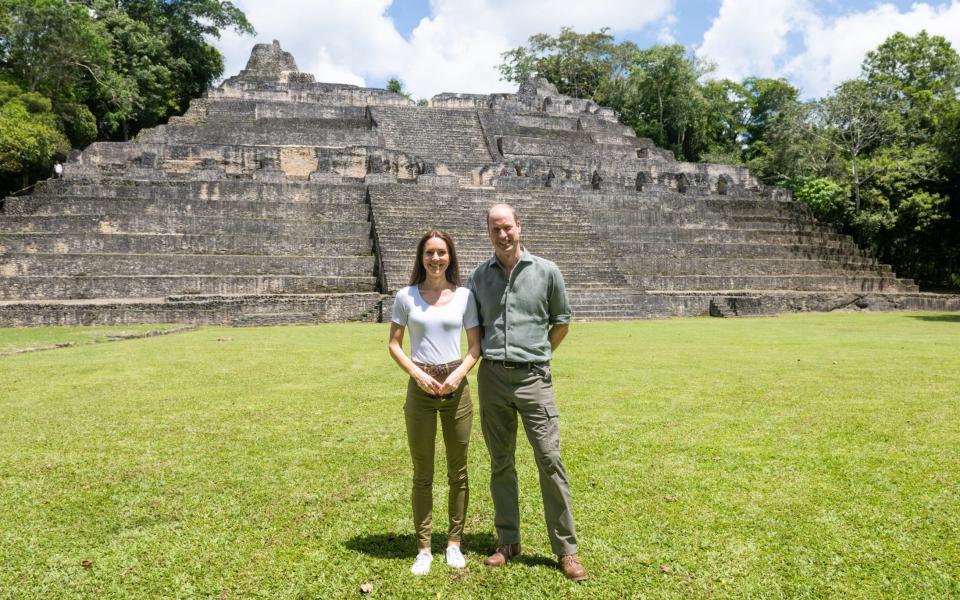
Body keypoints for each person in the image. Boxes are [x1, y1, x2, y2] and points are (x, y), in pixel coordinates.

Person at [468, 203, 588, 581]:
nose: (502, 235)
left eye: (507, 227)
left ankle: (566, 550)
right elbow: (475, 328)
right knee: (500, 462)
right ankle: (508, 541)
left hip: (534, 378)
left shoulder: (547, 271)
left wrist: (537, 356)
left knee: (550, 461)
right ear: (488, 233)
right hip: (492, 378)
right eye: (494, 229)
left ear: (519, 226)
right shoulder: (479, 276)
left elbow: (562, 322)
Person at [388, 230, 482, 576]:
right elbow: (395, 344)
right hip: (421, 388)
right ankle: (424, 548)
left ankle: (454, 543)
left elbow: (475, 346)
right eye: (429, 253)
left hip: (456, 388)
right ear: (421, 257)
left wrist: (458, 375)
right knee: (422, 473)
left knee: (458, 471)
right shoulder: (406, 296)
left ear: (450, 257)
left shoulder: (465, 297)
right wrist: (417, 374)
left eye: (441, 253)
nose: (436, 259)